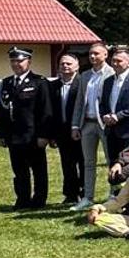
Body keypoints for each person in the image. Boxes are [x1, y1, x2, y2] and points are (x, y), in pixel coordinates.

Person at [0, 47, 55, 209]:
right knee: (19, 170)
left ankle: (39, 200)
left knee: (38, 170)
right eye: (13, 61)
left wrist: (44, 135)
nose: (16, 64)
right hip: (14, 136)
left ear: (29, 61)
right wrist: (2, 134)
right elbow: (3, 110)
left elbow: (46, 111)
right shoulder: (7, 83)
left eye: (20, 60)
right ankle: (22, 199)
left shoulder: (40, 82)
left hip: (33, 135)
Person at [67, 42, 114, 209]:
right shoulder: (85, 76)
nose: (93, 57)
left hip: (106, 125)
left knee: (111, 161)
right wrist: (75, 125)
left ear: (105, 55)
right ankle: (87, 197)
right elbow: (80, 102)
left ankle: (113, 195)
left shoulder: (112, 73)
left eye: (96, 54)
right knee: (88, 162)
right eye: (90, 54)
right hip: (87, 123)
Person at [99, 48, 129, 170]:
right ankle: (114, 188)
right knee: (112, 163)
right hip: (111, 130)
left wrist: (119, 116)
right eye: (113, 61)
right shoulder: (108, 82)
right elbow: (103, 103)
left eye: (119, 61)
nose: (115, 64)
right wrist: (104, 116)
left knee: (127, 164)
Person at [50, 52, 84, 206]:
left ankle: (84, 193)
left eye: (69, 63)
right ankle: (70, 194)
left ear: (76, 66)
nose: (65, 66)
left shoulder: (83, 83)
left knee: (83, 163)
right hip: (61, 132)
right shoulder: (53, 86)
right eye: (62, 63)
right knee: (67, 164)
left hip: (81, 130)